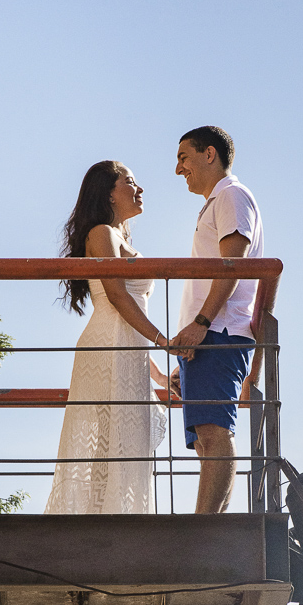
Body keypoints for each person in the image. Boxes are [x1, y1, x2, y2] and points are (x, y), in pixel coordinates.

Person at [45, 161, 169, 515]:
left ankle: (114, 515)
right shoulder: (102, 232)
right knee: (106, 437)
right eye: (130, 182)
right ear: (110, 193)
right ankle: (97, 519)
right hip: (107, 344)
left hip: (127, 346)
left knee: (119, 438)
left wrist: (158, 374)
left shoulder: (117, 235)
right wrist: (164, 340)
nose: (139, 189)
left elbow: (128, 318)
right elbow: (117, 296)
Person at [172, 126, 264, 515]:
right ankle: (208, 526)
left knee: (214, 431)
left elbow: (233, 263)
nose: (179, 170)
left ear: (209, 154)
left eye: (184, 158)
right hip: (207, 336)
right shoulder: (217, 201)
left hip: (219, 332)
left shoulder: (231, 195)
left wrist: (202, 322)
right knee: (205, 439)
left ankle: (203, 530)